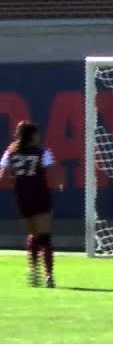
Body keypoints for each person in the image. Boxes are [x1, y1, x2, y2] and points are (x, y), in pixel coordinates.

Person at [0, 121, 63, 288]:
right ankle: (49, 275)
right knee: (45, 236)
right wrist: (59, 183)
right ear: (33, 135)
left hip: (22, 197)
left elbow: (2, 177)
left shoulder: (10, 153)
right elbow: (53, 173)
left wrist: (16, 179)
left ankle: (33, 271)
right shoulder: (42, 152)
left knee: (33, 234)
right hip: (40, 195)